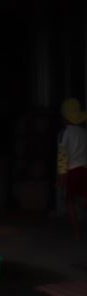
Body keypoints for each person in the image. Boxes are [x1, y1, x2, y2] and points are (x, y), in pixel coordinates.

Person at [57, 97, 87, 239]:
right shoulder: (83, 132)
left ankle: (76, 232)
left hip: (72, 170)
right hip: (84, 169)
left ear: (64, 118)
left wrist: (62, 176)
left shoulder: (66, 133)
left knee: (70, 201)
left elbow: (63, 156)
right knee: (83, 198)